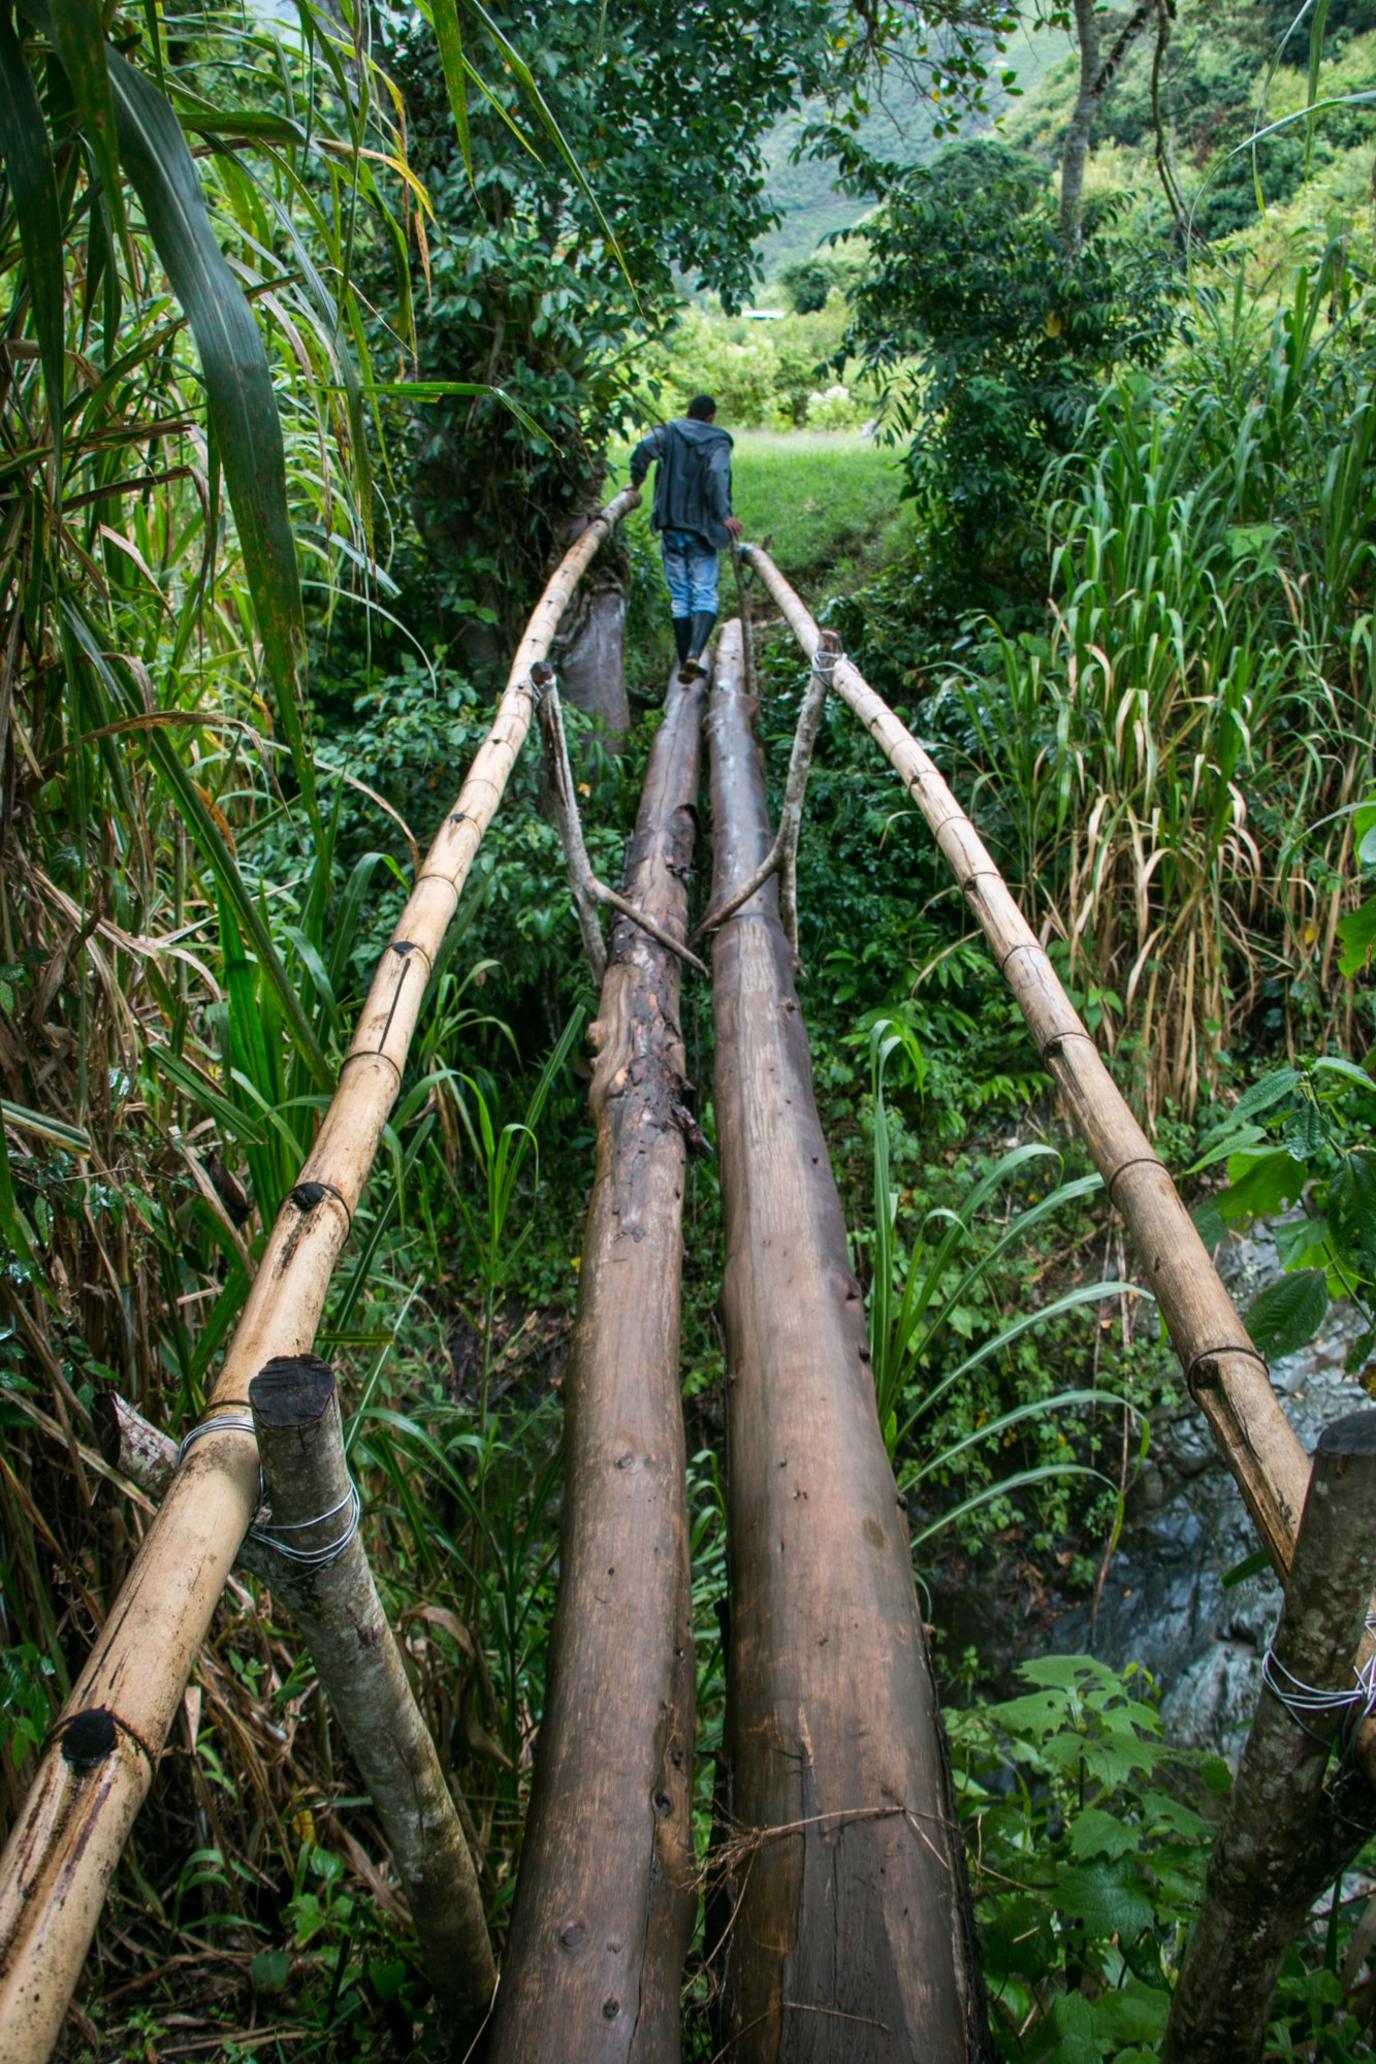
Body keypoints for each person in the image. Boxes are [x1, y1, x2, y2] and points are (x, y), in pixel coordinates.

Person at [629, 394, 743, 683]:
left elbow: (643, 448)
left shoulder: (670, 431)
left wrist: (636, 480)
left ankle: (685, 662)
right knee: (704, 592)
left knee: (680, 597)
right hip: (702, 530)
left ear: (688, 412)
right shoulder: (718, 441)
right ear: (710, 417)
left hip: (671, 526)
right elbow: (717, 473)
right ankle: (695, 653)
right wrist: (723, 515)